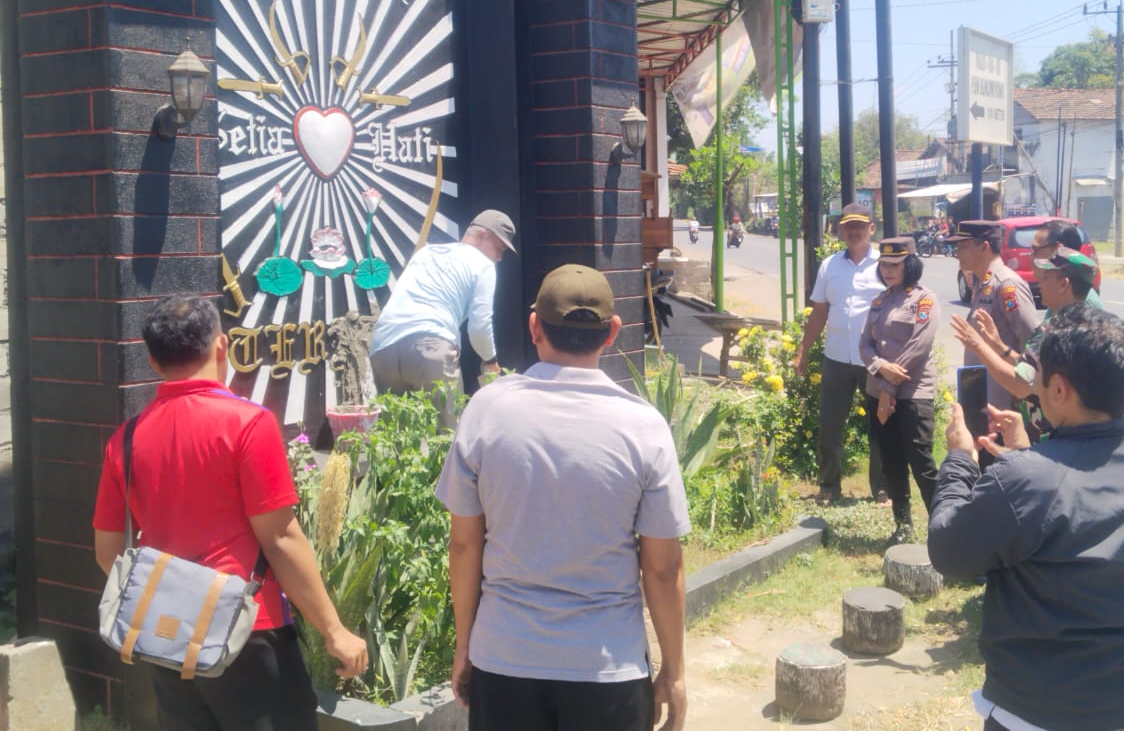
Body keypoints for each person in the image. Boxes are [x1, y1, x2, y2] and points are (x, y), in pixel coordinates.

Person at [92, 295, 368, 730]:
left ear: (153, 360)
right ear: (222, 347)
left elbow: (108, 552)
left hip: (168, 638)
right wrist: (334, 630)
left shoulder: (124, 440)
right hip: (248, 629)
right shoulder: (248, 424)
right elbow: (281, 539)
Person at [436, 265, 690, 731]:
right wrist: (673, 672)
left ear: (535, 327)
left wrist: (464, 647)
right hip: (608, 668)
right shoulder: (643, 426)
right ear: (613, 331)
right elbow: (661, 567)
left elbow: (464, 544)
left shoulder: (486, 411)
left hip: (504, 658)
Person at [929, 306, 1124, 731]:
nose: (1032, 384)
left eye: (1038, 374)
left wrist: (961, 459)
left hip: (1046, 710)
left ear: (1058, 389)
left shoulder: (1026, 478)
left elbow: (949, 551)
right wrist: (1028, 456)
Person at [369, 210, 516, 424]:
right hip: (430, 345)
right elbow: (479, 326)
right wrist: (490, 360)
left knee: (397, 435)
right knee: (449, 435)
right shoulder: (483, 264)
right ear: (481, 235)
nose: (499, 258)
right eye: (499, 248)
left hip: (382, 348)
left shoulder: (427, 252)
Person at [951, 248, 1100, 442]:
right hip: (1081, 437)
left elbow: (1021, 384)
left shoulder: (1054, 330)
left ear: (1064, 284)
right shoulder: (1092, 326)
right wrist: (998, 345)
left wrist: (978, 345)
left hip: (1051, 440)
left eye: (1046, 278)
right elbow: (1033, 368)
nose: (1039, 282)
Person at [794, 202, 886, 504]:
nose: (854, 231)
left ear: (871, 229)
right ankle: (829, 486)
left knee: (880, 423)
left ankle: (882, 488)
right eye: (848, 226)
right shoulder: (830, 266)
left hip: (874, 359)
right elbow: (819, 311)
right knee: (830, 424)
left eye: (860, 225)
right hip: (836, 357)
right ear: (840, 231)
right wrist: (804, 350)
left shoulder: (885, 265)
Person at [858, 238, 938, 542]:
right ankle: (903, 525)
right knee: (891, 460)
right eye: (883, 265)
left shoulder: (924, 300)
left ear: (910, 265)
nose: (888, 270)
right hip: (878, 390)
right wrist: (880, 367)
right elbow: (865, 344)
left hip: (913, 392)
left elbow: (919, 346)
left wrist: (889, 386)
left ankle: (942, 526)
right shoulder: (879, 301)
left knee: (921, 461)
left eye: (895, 264)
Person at [945, 221, 1037, 414]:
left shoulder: (1006, 284)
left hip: (1003, 402)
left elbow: (1032, 343)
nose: (957, 252)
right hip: (982, 396)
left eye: (963, 246)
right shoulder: (984, 283)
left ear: (984, 247)